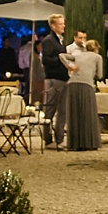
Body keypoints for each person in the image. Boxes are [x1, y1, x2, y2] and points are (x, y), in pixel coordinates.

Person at [62, 38, 103, 151]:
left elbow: (62, 55)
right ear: (95, 48)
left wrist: (69, 66)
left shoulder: (78, 56)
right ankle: (89, 142)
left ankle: (75, 143)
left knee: (74, 114)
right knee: (88, 113)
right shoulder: (97, 57)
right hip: (87, 85)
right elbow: (100, 75)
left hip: (72, 84)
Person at [40, 14, 69, 147]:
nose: (63, 26)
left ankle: (60, 139)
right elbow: (46, 60)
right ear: (53, 26)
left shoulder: (60, 40)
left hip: (63, 78)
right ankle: (47, 139)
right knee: (50, 109)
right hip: (53, 78)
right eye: (60, 24)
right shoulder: (49, 40)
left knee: (62, 110)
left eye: (63, 23)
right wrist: (61, 58)